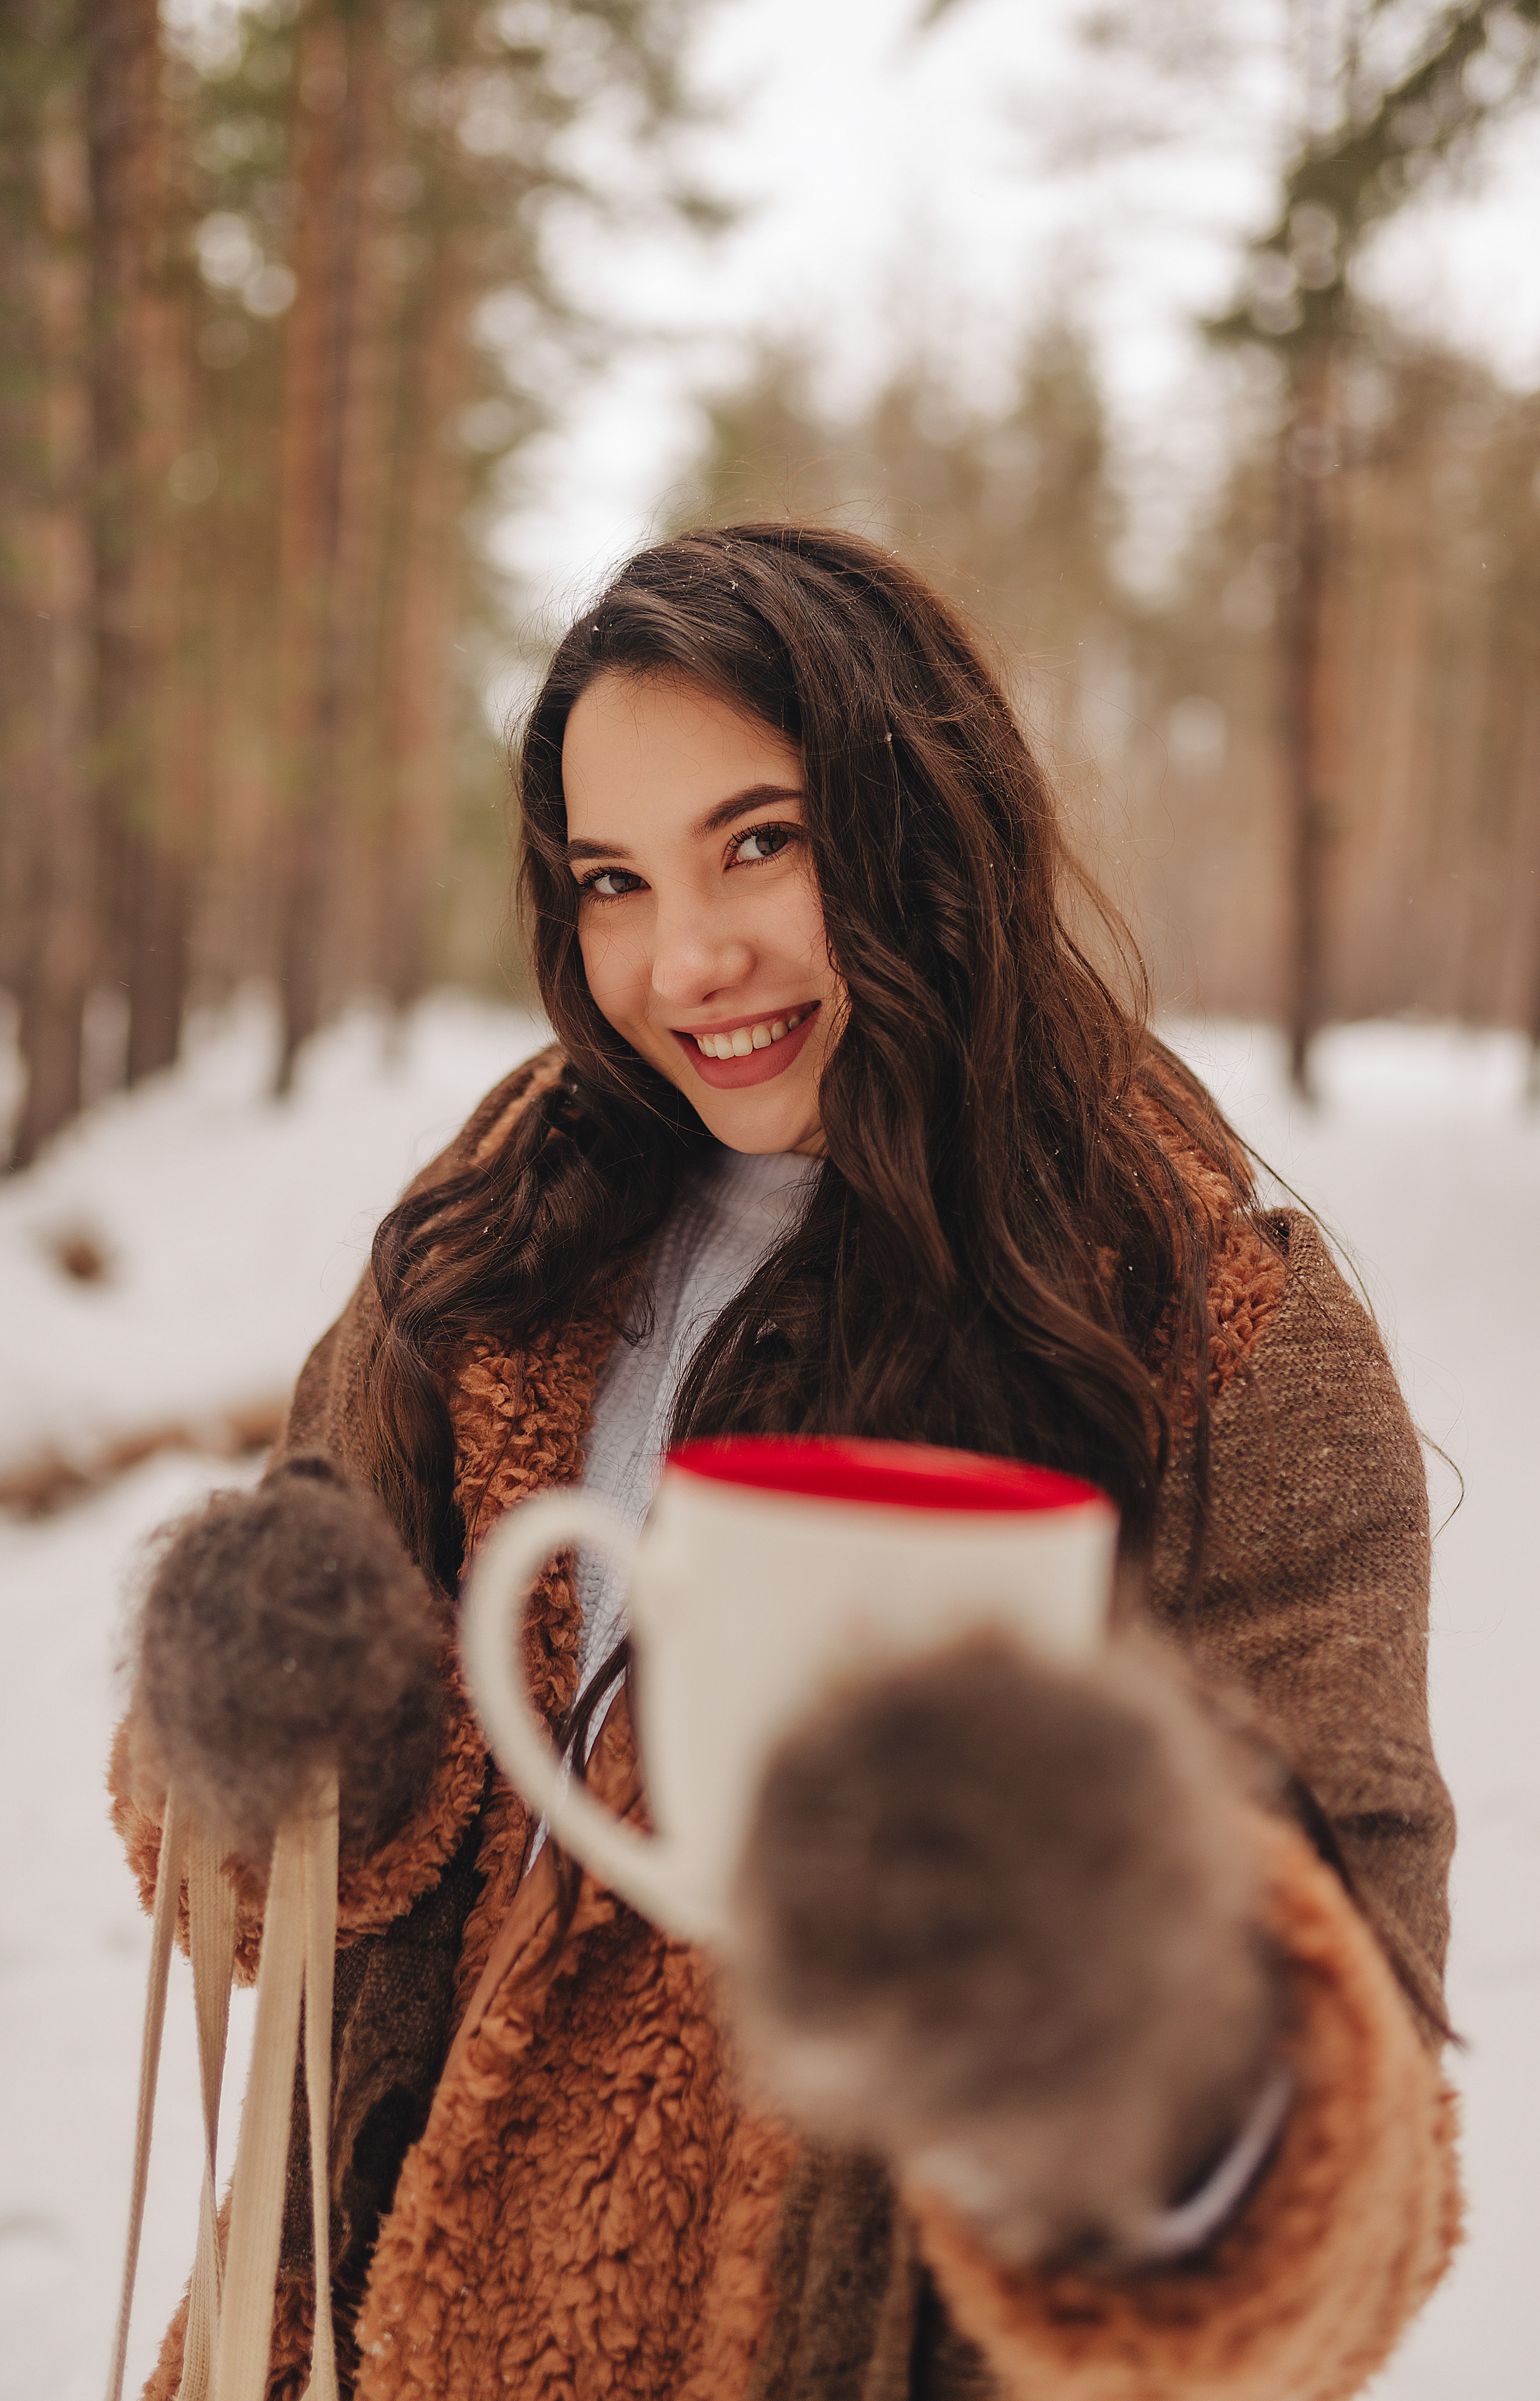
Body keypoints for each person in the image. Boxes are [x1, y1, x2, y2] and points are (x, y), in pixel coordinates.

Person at [113, 523, 1460, 2401]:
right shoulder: (497, 1228)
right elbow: (252, 1876)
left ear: (928, 823)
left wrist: (1116, 2010)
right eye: (613, 881)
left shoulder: (1204, 1318)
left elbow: (1345, 2146)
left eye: (761, 841)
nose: (688, 958)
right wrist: (269, 1724)